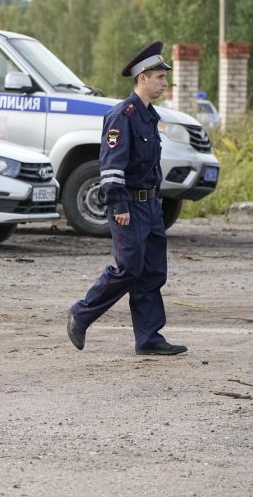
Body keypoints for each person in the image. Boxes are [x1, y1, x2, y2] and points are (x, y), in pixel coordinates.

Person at [66, 41, 187, 356]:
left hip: (150, 205)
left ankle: (148, 338)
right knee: (128, 268)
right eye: (160, 77)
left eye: (164, 77)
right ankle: (81, 313)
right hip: (128, 205)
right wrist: (118, 205)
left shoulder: (148, 116)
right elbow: (111, 166)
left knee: (152, 271)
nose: (164, 82)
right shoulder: (123, 115)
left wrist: (156, 203)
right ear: (142, 77)